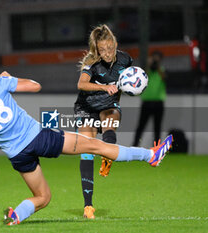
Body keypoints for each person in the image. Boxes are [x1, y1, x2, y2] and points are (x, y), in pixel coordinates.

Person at [0, 57, 173, 226]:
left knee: (43, 198)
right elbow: (35, 86)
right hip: (39, 138)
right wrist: (8, 79)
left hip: (17, 155)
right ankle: (151, 156)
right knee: (95, 145)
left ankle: (15, 217)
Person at [74, 24, 132, 219]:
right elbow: (81, 84)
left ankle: (107, 156)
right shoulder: (91, 62)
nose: (108, 53)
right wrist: (104, 87)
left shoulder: (125, 59)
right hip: (87, 107)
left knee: (111, 122)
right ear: (96, 49)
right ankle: (88, 206)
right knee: (86, 150)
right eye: (103, 49)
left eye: (110, 47)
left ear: (115, 43)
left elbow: (129, 81)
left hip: (108, 105)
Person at [133, 50, 167, 147]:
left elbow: (165, 78)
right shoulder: (146, 72)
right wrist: (149, 65)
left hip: (158, 103)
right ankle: (135, 145)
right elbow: (143, 77)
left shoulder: (162, 70)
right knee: (141, 126)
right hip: (146, 102)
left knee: (157, 127)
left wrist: (158, 66)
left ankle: (157, 147)